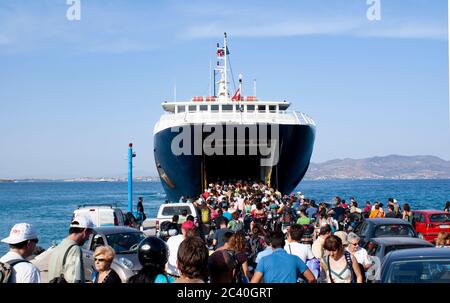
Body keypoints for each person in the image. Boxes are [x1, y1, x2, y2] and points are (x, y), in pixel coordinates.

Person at [250, 231, 316, 283]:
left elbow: (254, 281)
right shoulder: (295, 259)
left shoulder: (264, 260)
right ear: (284, 243)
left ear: (270, 244)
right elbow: (312, 278)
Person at [48, 215, 94, 283]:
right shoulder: (74, 249)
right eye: (89, 234)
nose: (88, 238)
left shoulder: (58, 247)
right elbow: (74, 279)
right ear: (85, 231)